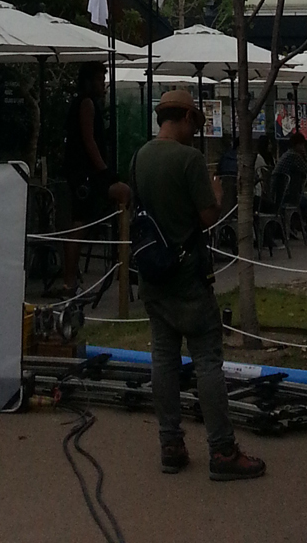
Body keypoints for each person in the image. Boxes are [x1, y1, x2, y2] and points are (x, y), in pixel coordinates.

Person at [108, 87, 265, 483]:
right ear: (182, 118)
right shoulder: (190, 159)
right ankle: (222, 450)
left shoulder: (140, 157)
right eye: (194, 121)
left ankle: (171, 445)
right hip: (188, 278)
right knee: (207, 361)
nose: (195, 130)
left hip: (153, 276)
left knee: (163, 358)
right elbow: (207, 217)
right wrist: (216, 194)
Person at [63, 62, 111, 290]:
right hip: (85, 174)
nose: (103, 85)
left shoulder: (85, 103)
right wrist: (103, 170)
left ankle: (71, 278)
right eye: (100, 80)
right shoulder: (86, 104)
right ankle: (69, 280)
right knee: (78, 224)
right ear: (89, 82)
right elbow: (89, 139)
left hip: (84, 172)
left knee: (80, 223)